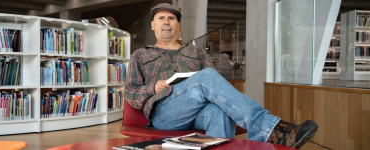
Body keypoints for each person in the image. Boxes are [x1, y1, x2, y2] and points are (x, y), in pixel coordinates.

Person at [124, 3, 318, 149]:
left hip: (198, 113)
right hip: (165, 114)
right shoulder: (140, 55)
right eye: (161, 18)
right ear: (152, 25)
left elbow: (214, 87)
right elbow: (131, 94)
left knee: (219, 113)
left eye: (171, 19)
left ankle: (265, 133)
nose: (166, 22)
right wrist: (153, 87)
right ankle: (270, 129)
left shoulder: (196, 52)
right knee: (206, 76)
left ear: (178, 26)